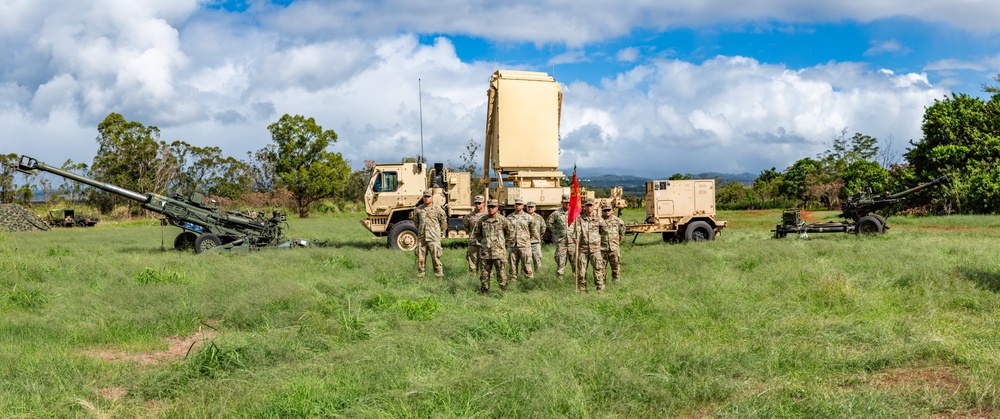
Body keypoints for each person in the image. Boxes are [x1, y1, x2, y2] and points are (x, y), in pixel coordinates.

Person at [473, 199, 513, 295]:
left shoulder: (503, 220)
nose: (491, 209)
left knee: (501, 275)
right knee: (484, 275)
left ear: (497, 208)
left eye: (493, 207)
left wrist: (501, 243)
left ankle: (504, 293)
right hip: (485, 253)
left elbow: (510, 233)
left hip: (498, 253)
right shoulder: (482, 220)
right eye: (489, 207)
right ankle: (484, 294)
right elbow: (477, 234)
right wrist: (484, 243)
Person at [412, 189, 447, 278]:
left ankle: (439, 279)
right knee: (421, 260)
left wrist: (439, 233)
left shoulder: (438, 209)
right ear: (423, 198)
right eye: (425, 197)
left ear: (432, 197)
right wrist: (421, 231)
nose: (427, 198)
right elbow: (416, 222)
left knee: (436, 260)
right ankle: (421, 279)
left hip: (434, 238)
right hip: (422, 239)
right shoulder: (418, 209)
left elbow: (443, 223)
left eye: (428, 197)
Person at [571, 198, 604, 292]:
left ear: (594, 206)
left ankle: (599, 290)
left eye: (591, 205)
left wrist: (597, 241)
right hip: (583, 249)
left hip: (595, 249)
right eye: (587, 205)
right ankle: (582, 291)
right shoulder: (579, 219)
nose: (589, 207)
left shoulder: (599, 219)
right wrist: (575, 238)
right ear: (584, 207)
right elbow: (576, 232)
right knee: (581, 271)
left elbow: (604, 232)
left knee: (598, 270)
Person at [547, 194, 575, 280]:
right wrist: (556, 232)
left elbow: (580, 225)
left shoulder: (574, 212)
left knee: (575, 261)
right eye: (565, 202)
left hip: (572, 241)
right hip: (561, 241)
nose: (567, 204)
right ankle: (560, 279)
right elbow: (549, 223)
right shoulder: (556, 213)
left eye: (569, 202)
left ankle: (576, 279)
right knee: (560, 261)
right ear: (561, 202)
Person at [506, 198, 535, 281]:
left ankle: (529, 283)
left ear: (523, 206)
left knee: (527, 266)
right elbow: (506, 231)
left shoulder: (528, 217)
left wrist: (526, 239)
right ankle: (513, 284)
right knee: (512, 267)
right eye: (516, 204)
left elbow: (533, 231)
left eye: (520, 204)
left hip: (524, 246)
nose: (518, 206)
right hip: (513, 246)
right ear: (514, 205)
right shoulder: (509, 217)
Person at [600, 204, 625, 283]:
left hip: (614, 249)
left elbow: (622, 233)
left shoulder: (618, 221)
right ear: (602, 211)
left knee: (616, 268)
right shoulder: (598, 221)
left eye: (608, 210)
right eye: (605, 210)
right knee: (601, 269)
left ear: (612, 210)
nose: (607, 212)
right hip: (602, 249)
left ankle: (616, 285)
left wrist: (615, 242)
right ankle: (602, 285)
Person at [463, 195, 488, 274]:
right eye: (476, 203)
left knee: (486, 267)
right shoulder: (469, 216)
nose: (478, 205)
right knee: (472, 267)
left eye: (479, 203)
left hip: (485, 244)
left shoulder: (488, 215)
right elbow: (466, 228)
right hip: (473, 244)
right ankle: (473, 283)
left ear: (484, 203)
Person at [526, 202, 545, 273]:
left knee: (537, 259)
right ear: (526, 208)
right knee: (526, 260)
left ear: (535, 208)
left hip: (535, 242)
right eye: (529, 207)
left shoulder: (539, 217)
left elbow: (543, 227)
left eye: (532, 207)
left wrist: (538, 235)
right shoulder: (523, 217)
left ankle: (538, 274)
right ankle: (526, 275)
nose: (530, 208)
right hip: (525, 242)